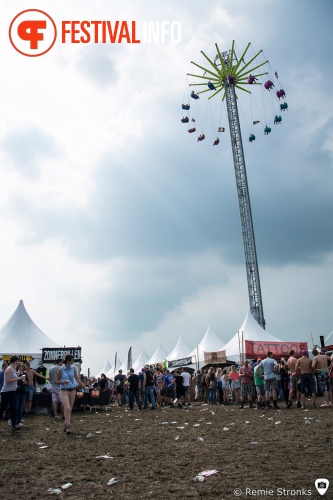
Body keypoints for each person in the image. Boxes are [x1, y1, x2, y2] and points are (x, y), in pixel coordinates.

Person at [56, 354, 86, 434]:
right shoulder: (60, 369)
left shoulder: (73, 368)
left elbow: (77, 378)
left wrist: (84, 386)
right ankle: (68, 426)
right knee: (67, 408)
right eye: (72, 360)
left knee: (70, 409)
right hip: (64, 390)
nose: (73, 361)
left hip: (73, 390)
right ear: (69, 360)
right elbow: (56, 381)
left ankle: (66, 424)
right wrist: (63, 382)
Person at [0, 355, 26, 431]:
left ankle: (14, 424)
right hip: (6, 391)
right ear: (15, 361)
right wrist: (19, 378)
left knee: (14, 408)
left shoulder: (13, 369)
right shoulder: (9, 369)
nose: (18, 363)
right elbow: (8, 380)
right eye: (17, 361)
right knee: (2, 408)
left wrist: (19, 377)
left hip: (13, 391)